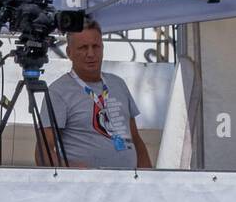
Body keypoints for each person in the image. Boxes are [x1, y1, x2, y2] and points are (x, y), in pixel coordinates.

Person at [36, 20, 152, 169]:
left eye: (95, 46)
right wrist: (73, 171)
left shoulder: (118, 84)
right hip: (86, 188)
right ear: (69, 53)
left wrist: (148, 178)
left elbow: (135, 139)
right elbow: (42, 152)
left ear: (102, 49)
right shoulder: (58, 92)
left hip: (127, 185)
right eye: (83, 47)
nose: (91, 53)